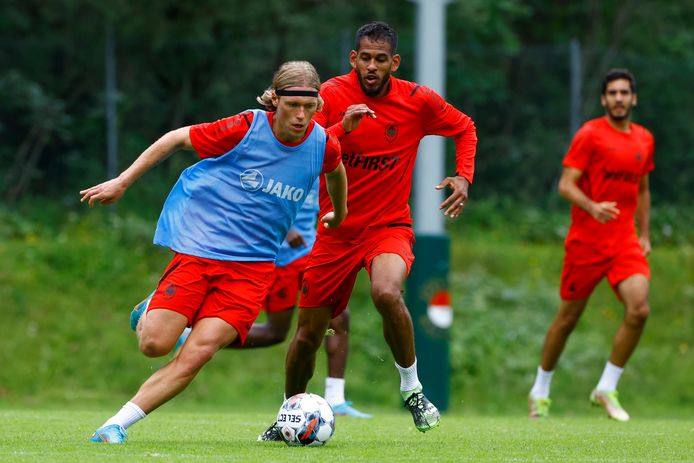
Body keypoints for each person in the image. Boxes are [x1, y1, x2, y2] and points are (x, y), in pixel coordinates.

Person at [81, 60, 348, 443]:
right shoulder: (246, 128)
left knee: (199, 352)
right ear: (275, 100)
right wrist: (123, 182)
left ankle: (115, 425)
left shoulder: (323, 143)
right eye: (293, 106)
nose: (301, 116)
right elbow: (176, 138)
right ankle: (150, 307)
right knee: (154, 345)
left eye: (309, 107)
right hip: (201, 250)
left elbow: (336, 170)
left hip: (253, 270)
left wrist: (338, 212)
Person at [259, 21, 477, 439]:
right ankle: (286, 416)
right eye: (365, 58)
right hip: (335, 229)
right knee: (306, 336)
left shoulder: (418, 100)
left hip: (388, 226)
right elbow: (298, 142)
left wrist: (463, 175)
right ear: (353, 59)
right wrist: (340, 128)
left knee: (386, 291)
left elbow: (465, 127)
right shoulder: (332, 97)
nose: (372, 66)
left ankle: (412, 390)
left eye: (382, 59)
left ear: (394, 62)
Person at [171, 181, 371, 417]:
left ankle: (335, 398)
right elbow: (248, 199)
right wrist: (285, 230)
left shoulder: (324, 161)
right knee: (275, 333)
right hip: (277, 258)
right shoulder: (282, 157)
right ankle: (195, 337)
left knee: (338, 317)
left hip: (310, 253)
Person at [528, 69, 654, 421]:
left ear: (633, 98)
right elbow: (566, 185)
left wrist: (644, 234)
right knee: (568, 318)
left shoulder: (644, 140)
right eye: (612, 93)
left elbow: (642, 190)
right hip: (586, 243)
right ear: (603, 99)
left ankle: (607, 386)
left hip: (624, 241)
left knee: (639, 309)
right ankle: (540, 390)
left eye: (624, 92)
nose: (618, 98)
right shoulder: (590, 135)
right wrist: (591, 206)